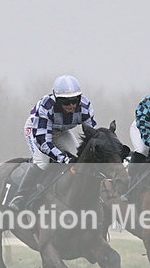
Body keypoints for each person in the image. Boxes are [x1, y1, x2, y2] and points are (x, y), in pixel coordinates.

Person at [8, 75, 98, 211]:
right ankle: (21, 196)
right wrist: (63, 158)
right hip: (37, 130)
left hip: (61, 131)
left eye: (75, 100)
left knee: (78, 159)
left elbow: (92, 136)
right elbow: (43, 142)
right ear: (57, 99)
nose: (72, 105)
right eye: (66, 102)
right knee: (43, 162)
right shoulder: (46, 106)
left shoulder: (85, 106)